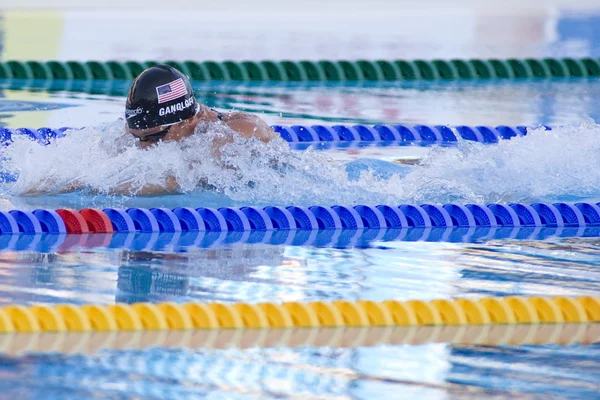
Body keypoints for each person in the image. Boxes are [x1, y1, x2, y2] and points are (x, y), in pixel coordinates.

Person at [120, 64, 278, 195]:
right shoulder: (144, 131)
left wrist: (102, 191)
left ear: (188, 121)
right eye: (136, 136)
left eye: (156, 136)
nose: (144, 146)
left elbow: (177, 180)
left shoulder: (233, 135)